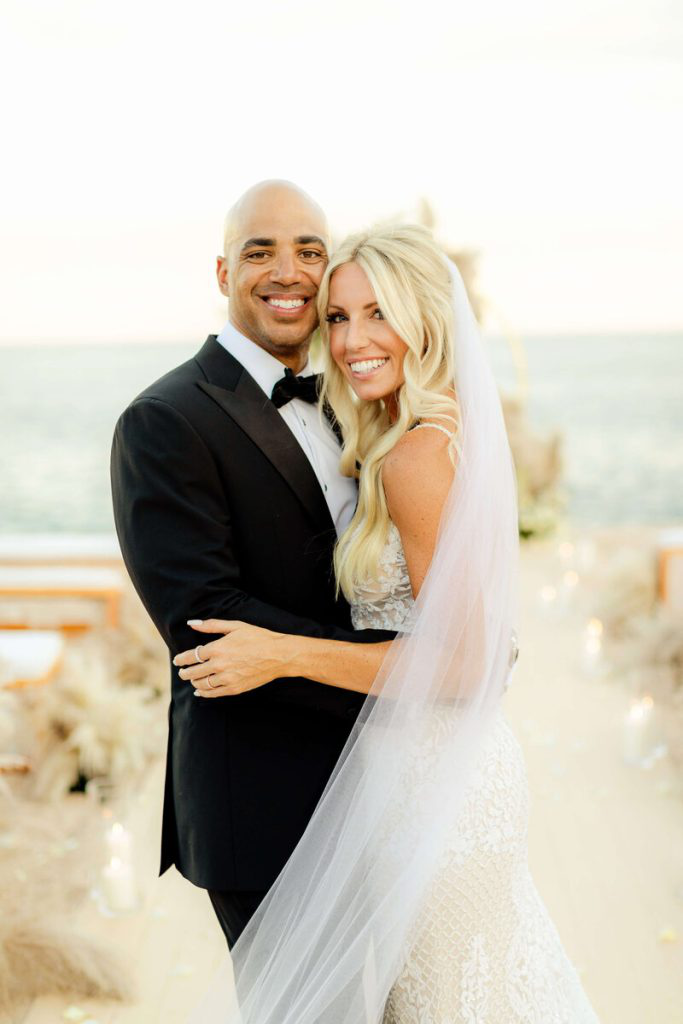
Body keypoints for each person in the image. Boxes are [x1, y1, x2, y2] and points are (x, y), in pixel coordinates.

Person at [175, 224, 601, 1022]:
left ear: (428, 323)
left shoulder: (413, 459)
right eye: (337, 318)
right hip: (440, 771)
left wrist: (283, 654)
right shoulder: (436, 436)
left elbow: (465, 664)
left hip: (435, 787)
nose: (351, 340)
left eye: (379, 314)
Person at [110, 180, 395, 952]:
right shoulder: (163, 420)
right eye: (259, 251)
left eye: (309, 250)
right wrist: (396, 669)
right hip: (263, 797)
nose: (288, 271)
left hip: (382, 781)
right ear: (221, 273)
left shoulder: (356, 400)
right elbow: (203, 617)